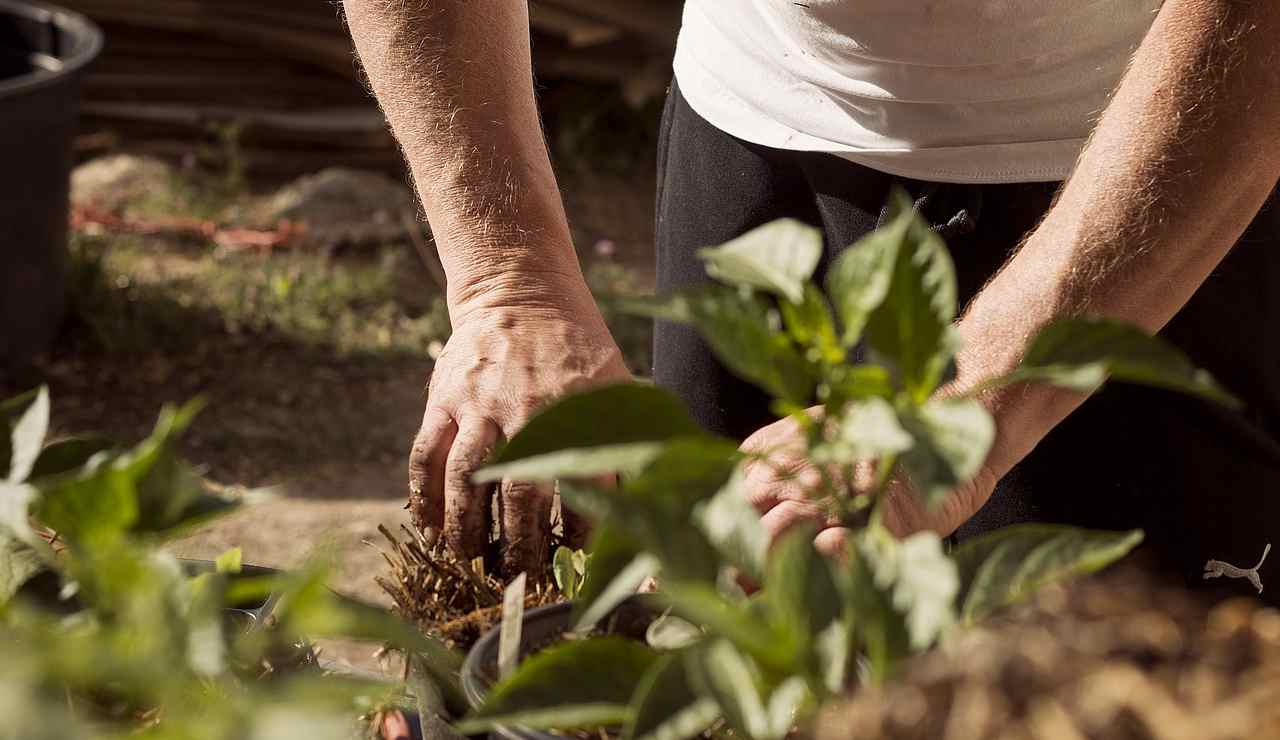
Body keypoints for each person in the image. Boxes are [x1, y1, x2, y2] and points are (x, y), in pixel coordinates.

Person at [342, 0, 1280, 596]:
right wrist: (512, 278)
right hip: (748, 138)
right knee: (725, 653)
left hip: (1144, 181)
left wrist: (965, 408)